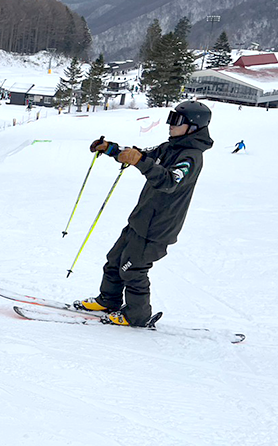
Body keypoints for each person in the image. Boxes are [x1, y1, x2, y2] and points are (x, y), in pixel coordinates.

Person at [76, 100, 213, 327]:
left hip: (157, 227)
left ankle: (136, 315)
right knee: (114, 260)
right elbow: (142, 155)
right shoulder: (169, 148)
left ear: (193, 127)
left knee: (133, 269)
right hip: (141, 219)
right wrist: (112, 149)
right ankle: (108, 300)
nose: (170, 125)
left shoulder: (190, 157)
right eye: (170, 118)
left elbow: (169, 181)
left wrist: (141, 162)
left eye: (176, 121)